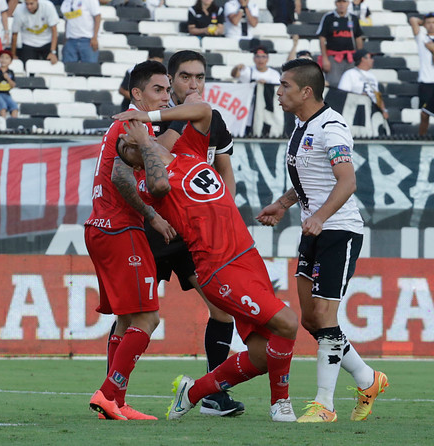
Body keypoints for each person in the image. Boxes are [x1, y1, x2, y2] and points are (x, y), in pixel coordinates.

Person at [113, 102, 299, 423]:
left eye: (133, 139)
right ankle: (280, 404)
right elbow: (160, 185)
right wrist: (143, 143)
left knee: (262, 353)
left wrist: (149, 117)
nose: (131, 143)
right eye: (126, 149)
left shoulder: (188, 151)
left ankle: (194, 392)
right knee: (288, 323)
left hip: (247, 257)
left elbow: (204, 110)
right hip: (218, 268)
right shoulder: (148, 183)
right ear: (134, 162)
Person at [257, 58, 388, 423]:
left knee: (325, 317)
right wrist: (283, 205)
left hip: (339, 231)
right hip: (313, 229)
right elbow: (311, 181)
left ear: (306, 91)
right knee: (312, 321)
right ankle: (367, 378)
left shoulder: (332, 127)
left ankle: (324, 405)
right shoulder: (302, 125)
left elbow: (347, 182)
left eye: (284, 85)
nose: (279, 91)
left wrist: (319, 216)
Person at [149, 50, 244, 417]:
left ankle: (212, 394)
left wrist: (225, 216)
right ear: (171, 82)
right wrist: (183, 118)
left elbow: (225, 174)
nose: (194, 84)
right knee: (136, 314)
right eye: (186, 77)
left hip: (193, 233)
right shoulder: (154, 119)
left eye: (200, 78)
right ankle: (113, 391)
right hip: (154, 227)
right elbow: (155, 159)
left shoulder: (213, 120)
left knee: (222, 310)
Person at [85, 60, 176, 421]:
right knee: (149, 319)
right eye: (158, 89)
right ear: (136, 93)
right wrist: (153, 216)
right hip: (121, 228)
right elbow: (122, 177)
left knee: (126, 320)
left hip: (101, 226)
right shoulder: (134, 123)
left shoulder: (130, 124)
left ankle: (116, 401)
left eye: (167, 89)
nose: (166, 96)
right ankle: (109, 393)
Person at [409, 13, 434, 136]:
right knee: (424, 114)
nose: (431, 25)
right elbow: (413, 20)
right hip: (426, 81)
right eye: (429, 23)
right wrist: (423, 22)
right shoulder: (422, 37)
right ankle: (422, 136)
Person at [316, 0, 364, 87]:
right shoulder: (328, 17)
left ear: (348, 3)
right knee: (334, 84)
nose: (341, 4)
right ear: (335, 3)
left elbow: (358, 38)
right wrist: (325, 59)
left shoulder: (353, 18)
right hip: (334, 58)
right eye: (339, 2)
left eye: (344, 2)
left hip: (350, 58)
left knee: (351, 84)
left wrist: (359, 57)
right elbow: (322, 38)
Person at [337, 49, 389, 120]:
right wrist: (359, 97)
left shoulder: (372, 76)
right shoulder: (349, 74)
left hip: (372, 111)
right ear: (363, 59)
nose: (372, 60)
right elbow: (342, 94)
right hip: (356, 111)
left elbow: (377, 96)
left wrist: (384, 110)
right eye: (370, 58)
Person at [11, 0, 59, 64]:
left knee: (52, 66)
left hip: (47, 41)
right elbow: (15, 34)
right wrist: (13, 55)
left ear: (37, 1)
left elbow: (54, 30)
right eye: (27, 4)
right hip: (28, 42)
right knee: (28, 67)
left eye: (31, 4)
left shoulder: (48, 6)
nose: (29, 7)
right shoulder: (19, 10)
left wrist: (53, 52)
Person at [119, 47, 164, 111]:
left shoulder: (161, 75)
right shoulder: (134, 71)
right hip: (130, 109)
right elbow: (122, 90)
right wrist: (140, 99)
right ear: (148, 58)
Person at [0, 49, 18, 118]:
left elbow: (13, 85)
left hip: (6, 94)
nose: (4, 60)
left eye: (7, 58)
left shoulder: (10, 72)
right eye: (2, 57)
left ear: (10, 61)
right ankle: (3, 123)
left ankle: (13, 123)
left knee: (14, 106)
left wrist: (8, 78)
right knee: (2, 105)